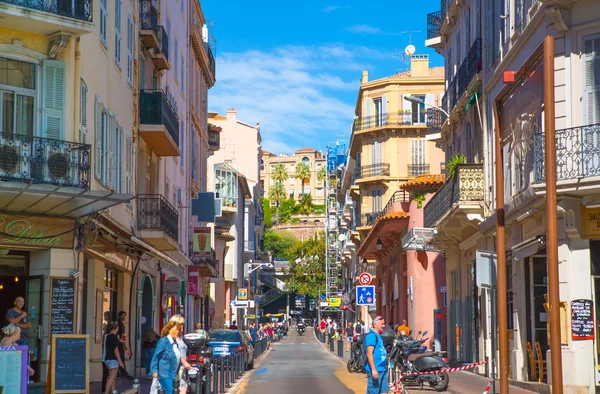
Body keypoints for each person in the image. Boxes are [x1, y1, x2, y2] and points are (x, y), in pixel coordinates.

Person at [150, 321, 196, 394]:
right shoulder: (163, 341)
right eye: (175, 330)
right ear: (169, 330)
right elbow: (155, 357)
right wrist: (154, 371)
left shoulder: (175, 343)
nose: (177, 332)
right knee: (171, 391)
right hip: (165, 374)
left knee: (180, 390)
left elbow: (177, 356)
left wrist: (184, 363)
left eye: (178, 330)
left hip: (173, 374)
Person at [169, 314, 194, 394]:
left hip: (181, 370)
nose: (182, 327)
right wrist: (184, 362)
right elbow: (173, 353)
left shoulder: (180, 337)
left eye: (183, 325)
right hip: (174, 369)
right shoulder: (172, 338)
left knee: (183, 388)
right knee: (181, 389)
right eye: (180, 325)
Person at [365, 316, 389, 394]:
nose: (383, 326)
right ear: (375, 324)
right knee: (373, 392)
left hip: (382, 369)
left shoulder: (378, 336)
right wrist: (374, 370)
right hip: (376, 370)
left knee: (384, 391)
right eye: (382, 324)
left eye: (384, 324)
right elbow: (369, 354)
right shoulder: (371, 336)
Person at [103, 322, 125, 394]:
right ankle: (106, 392)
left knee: (112, 376)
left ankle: (113, 391)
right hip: (113, 358)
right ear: (115, 328)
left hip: (107, 358)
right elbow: (115, 350)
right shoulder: (114, 337)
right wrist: (120, 361)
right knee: (112, 377)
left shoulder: (107, 336)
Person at [116, 311, 132, 379]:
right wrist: (124, 344)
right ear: (119, 316)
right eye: (122, 315)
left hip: (118, 343)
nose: (124, 317)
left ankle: (121, 372)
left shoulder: (119, 323)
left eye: (124, 315)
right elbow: (123, 335)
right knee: (121, 357)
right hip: (119, 343)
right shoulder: (120, 324)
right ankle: (122, 372)